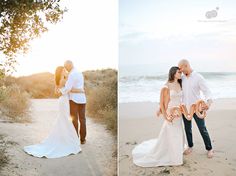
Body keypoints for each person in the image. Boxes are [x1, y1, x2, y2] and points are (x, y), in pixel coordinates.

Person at [24, 66, 83, 158]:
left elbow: (57, 92)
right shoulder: (64, 80)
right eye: (64, 70)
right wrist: (80, 90)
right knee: (65, 119)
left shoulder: (58, 80)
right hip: (64, 101)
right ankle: (67, 140)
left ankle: (64, 138)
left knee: (63, 119)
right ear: (61, 72)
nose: (65, 71)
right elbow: (69, 89)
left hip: (62, 100)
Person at [132, 66, 186, 167]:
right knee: (172, 132)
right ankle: (173, 157)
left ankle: (177, 151)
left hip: (179, 112)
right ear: (174, 73)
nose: (180, 74)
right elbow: (161, 102)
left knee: (178, 133)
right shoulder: (166, 86)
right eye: (179, 72)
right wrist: (165, 115)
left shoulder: (180, 83)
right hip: (171, 112)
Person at [178, 59, 214, 158]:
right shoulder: (181, 78)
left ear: (186, 66)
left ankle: (209, 148)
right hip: (185, 109)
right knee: (187, 129)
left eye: (180, 68)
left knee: (202, 129)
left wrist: (208, 103)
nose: (180, 71)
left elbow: (207, 91)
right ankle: (190, 146)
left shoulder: (198, 77)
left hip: (197, 108)